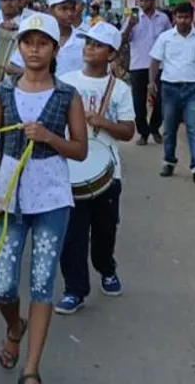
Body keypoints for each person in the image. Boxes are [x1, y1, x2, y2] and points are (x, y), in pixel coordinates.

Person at [0, 12, 88, 383]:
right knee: (3, 283)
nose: (34, 50)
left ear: (55, 49)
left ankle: (32, 368)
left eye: (42, 43)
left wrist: (49, 138)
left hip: (53, 197)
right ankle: (14, 327)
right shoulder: (3, 92)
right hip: (9, 197)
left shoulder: (66, 95)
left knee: (43, 281)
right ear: (19, 46)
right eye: (28, 42)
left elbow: (80, 149)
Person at [56, 23, 135, 314]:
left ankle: (106, 267)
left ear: (111, 54)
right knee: (72, 234)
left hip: (107, 172)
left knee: (104, 230)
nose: (90, 47)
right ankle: (74, 289)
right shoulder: (64, 81)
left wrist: (104, 123)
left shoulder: (120, 89)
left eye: (98, 44)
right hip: (70, 168)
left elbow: (129, 131)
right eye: (88, 42)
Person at [149, 1, 195, 184]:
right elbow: (154, 61)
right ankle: (169, 161)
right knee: (169, 129)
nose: (183, 20)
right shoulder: (165, 38)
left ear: (192, 18)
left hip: (193, 89)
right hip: (169, 88)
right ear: (174, 18)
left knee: (194, 129)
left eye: (186, 17)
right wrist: (151, 83)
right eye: (179, 17)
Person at [122, 0, 171, 146]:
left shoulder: (163, 19)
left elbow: (170, 38)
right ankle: (143, 133)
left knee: (160, 100)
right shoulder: (132, 18)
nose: (142, 3)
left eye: (145, 0)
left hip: (160, 65)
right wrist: (130, 25)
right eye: (140, 0)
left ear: (152, 1)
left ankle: (155, 128)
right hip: (138, 65)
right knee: (138, 102)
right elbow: (124, 39)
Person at [8, 0, 84, 78]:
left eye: (72, 9)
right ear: (51, 10)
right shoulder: (37, 36)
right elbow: (11, 67)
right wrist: (36, 75)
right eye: (64, 8)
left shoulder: (83, 40)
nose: (70, 13)